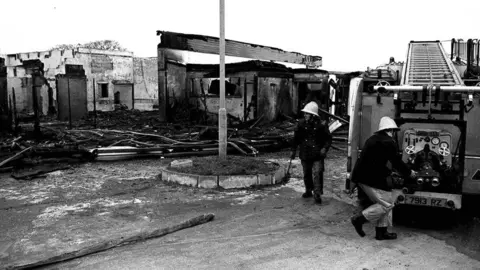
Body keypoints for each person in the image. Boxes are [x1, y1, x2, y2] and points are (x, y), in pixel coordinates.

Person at [350, 116, 416, 240]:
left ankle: (381, 232)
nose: (394, 134)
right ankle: (359, 219)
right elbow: (396, 161)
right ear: (390, 130)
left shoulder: (372, 139)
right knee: (387, 205)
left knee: (383, 201)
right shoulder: (388, 142)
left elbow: (369, 159)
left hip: (362, 177)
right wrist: (409, 173)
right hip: (372, 178)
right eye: (394, 131)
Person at [291, 101, 332, 204]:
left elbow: (328, 139)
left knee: (317, 173)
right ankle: (308, 190)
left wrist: (324, 148)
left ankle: (317, 193)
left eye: (307, 113)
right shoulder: (300, 124)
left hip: (317, 153)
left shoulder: (321, 125)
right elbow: (296, 139)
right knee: (307, 173)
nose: (305, 115)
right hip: (305, 152)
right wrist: (293, 150)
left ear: (313, 115)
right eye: (305, 113)